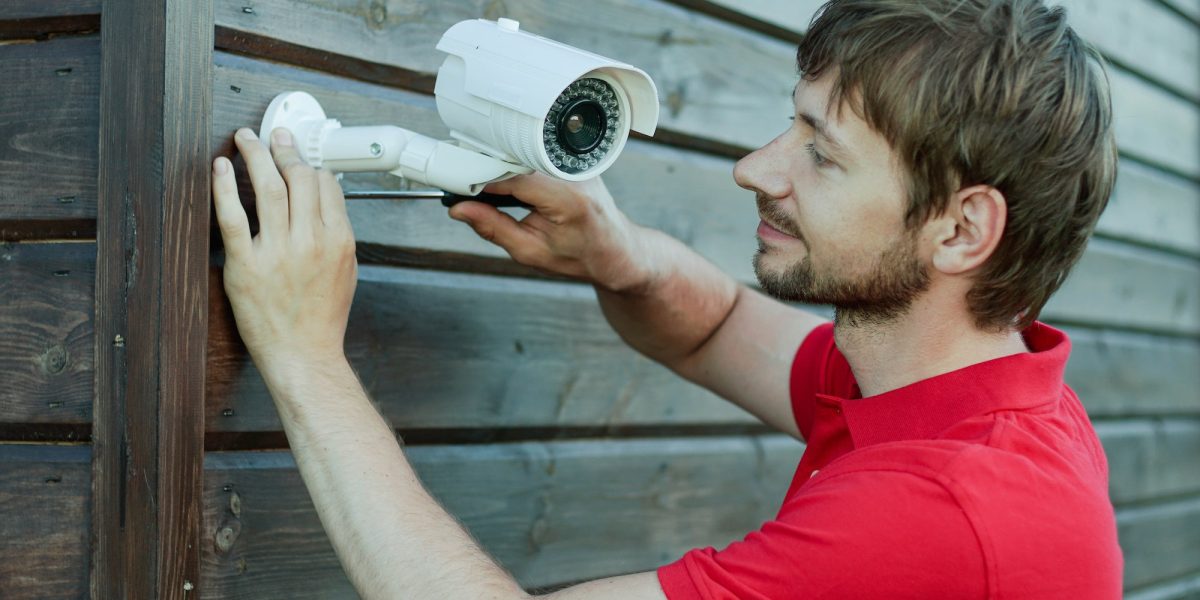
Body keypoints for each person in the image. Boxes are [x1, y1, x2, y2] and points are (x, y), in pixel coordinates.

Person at [210, 0, 1122, 597]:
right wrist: (623, 256)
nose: (753, 169)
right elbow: (717, 327)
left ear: (962, 231)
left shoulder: (949, 515)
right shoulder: (963, 393)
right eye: (790, 122)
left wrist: (305, 357)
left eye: (821, 152)